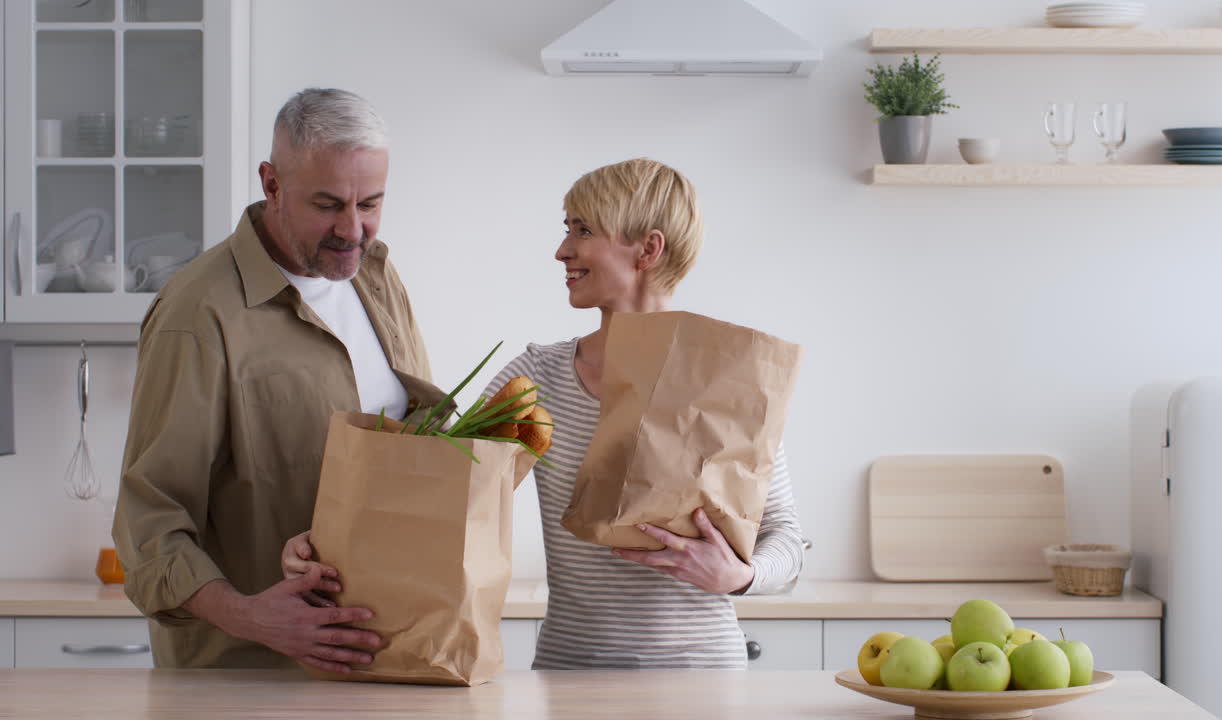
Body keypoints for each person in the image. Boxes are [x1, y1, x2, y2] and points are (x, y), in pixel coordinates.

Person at [284, 157, 804, 668]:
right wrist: (327, 543)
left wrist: (741, 576)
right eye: (567, 228)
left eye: (583, 230)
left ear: (648, 249)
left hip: (706, 677)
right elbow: (438, 494)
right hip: (570, 673)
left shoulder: (726, 380)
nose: (562, 250)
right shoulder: (538, 377)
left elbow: (785, 535)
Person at [113, 88, 447, 672]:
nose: (353, 230)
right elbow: (150, 523)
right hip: (248, 676)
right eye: (327, 204)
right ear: (271, 184)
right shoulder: (198, 313)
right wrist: (251, 616)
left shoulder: (377, 277)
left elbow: (411, 447)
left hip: (386, 660)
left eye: (370, 203)